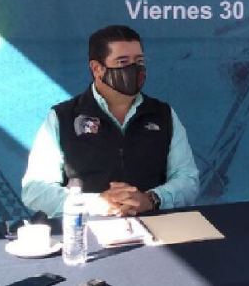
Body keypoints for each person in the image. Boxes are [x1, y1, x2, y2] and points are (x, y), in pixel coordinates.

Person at [21, 25, 200, 217]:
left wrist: (152, 199)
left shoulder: (163, 114)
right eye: (123, 62)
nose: (135, 69)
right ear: (97, 69)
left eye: (139, 61)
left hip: (156, 225)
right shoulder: (62, 117)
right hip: (85, 227)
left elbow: (188, 179)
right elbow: (35, 190)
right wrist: (96, 203)